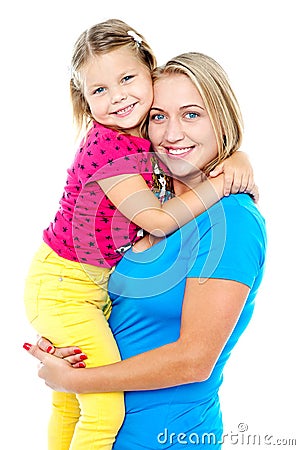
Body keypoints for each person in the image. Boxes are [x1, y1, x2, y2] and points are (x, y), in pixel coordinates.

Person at [24, 31, 261, 450]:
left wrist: (77, 379)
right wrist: (68, 344)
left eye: (192, 114)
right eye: (158, 116)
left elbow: (194, 360)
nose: (172, 133)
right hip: (104, 434)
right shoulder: (149, 201)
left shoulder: (233, 220)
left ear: (222, 118)